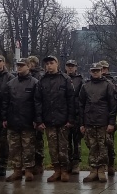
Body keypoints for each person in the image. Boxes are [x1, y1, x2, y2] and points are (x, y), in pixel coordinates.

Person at [34, 55, 76, 183]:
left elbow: (71, 100)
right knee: (52, 148)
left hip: (63, 119)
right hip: (48, 120)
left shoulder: (65, 79)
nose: (49, 66)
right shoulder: (42, 80)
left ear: (57, 64)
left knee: (63, 147)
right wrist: (39, 120)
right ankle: (56, 170)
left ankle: (64, 170)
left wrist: (70, 119)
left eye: (51, 63)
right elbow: (38, 101)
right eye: (47, 64)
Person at [2, 58, 39, 182]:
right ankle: (17, 170)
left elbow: (37, 103)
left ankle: (28, 170)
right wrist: (4, 117)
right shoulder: (11, 83)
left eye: (22, 65)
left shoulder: (34, 83)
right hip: (13, 121)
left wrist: (36, 119)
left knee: (28, 147)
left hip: (28, 121)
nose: (19, 67)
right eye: (18, 65)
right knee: (14, 148)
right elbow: (5, 102)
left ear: (28, 67)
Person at [79, 63, 117, 183]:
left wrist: (111, 122)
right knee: (92, 146)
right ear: (90, 72)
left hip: (103, 122)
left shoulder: (108, 85)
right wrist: (82, 123)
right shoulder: (85, 86)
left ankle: (101, 170)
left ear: (102, 71)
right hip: (89, 121)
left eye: (97, 70)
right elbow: (81, 105)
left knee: (103, 146)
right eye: (93, 71)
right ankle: (93, 170)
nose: (95, 73)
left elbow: (113, 105)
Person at [0, 55, 15, 176]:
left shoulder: (10, 77)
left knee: (4, 142)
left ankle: (3, 165)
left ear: (3, 63)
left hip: (4, 114)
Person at [99, 60, 117, 176]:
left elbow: (114, 100)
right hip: (98, 117)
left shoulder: (112, 82)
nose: (103, 71)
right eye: (101, 69)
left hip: (109, 116)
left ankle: (111, 163)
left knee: (109, 143)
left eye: (105, 69)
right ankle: (101, 165)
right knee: (99, 144)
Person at [65, 59, 84, 174]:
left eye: (72, 66)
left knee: (76, 141)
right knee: (66, 141)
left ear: (76, 67)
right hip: (65, 114)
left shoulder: (80, 80)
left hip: (76, 115)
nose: (70, 68)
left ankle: (76, 163)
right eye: (68, 66)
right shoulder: (63, 79)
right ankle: (68, 162)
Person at [27, 55, 45, 174]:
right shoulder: (27, 76)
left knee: (38, 139)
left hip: (38, 110)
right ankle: (29, 163)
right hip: (27, 112)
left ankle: (39, 163)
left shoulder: (40, 76)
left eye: (31, 63)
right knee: (28, 140)